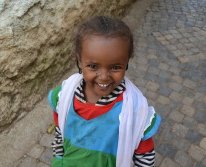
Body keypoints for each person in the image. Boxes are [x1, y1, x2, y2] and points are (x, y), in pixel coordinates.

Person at [48, 16, 161, 167]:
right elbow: (60, 133)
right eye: (93, 66)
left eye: (115, 67)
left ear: (126, 63)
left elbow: (145, 158)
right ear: (79, 61)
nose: (103, 77)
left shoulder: (135, 111)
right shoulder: (63, 97)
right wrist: (58, 160)